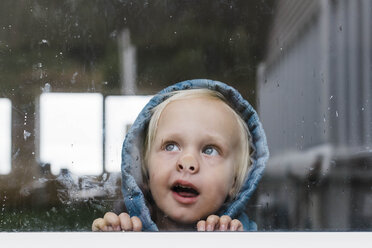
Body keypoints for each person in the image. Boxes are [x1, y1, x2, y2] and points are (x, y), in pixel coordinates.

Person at [92, 79, 269, 231]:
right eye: (170, 146)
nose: (188, 162)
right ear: (144, 171)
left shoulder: (241, 236)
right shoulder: (128, 231)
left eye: (210, 150)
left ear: (235, 182)